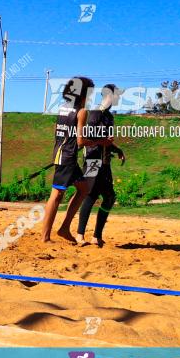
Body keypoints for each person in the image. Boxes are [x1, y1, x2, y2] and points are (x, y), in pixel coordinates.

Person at [41, 76, 108, 243]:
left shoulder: (62, 108)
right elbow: (80, 141)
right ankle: (45, 237)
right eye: (90, 93)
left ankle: (64, 228)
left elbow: (57, 131)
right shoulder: (81, 112)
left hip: (61, 153)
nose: (91, 97)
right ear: (82, 94)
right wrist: (101, 141)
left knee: (83, 189)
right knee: (56, 196)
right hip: (68, 157)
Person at [76, 84, 126, 247]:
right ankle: (80, 235)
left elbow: (107, 141)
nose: (119, 98)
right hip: (92, 160)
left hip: (105, 162)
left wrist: (117, 149)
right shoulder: (95, 113)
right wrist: (103, 141)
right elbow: (87, 137)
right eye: (117, 95)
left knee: (110, 197)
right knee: (90, 195)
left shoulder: (109, 117)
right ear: (109, 96)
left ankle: (97, 235)